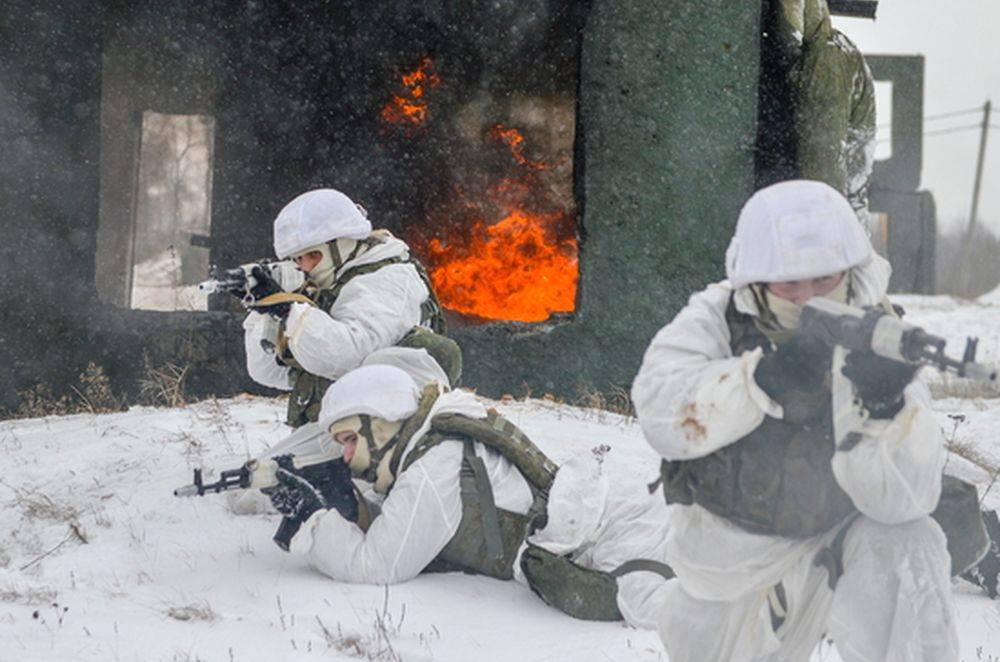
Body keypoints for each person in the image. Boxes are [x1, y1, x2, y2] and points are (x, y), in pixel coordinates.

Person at [631, 180, 981, 662]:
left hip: (839, 541)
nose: (807, 297)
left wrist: (884, 412)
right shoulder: (718, 316)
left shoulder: (876, 330)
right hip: (731, 563)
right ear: (755, 279)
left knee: (908, 541)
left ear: (848, 272)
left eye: (823, 281)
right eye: (788, 285)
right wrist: (760, 381)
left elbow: (906, 500)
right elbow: (660, 413)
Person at [261, 364, 676, 630]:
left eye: (351, 440)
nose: (347, 456)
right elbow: (405, 526)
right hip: (609, 517)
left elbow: (377, 565)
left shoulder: (432, 466)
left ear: (383, 425)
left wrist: (314, 519)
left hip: (617, 532)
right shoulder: (433, 444)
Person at [242, 188, 462, 428]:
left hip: (391, 432)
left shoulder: (388, 279)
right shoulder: (328, 285)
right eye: (296, 259)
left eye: (312, 255)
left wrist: (287, 309)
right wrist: (264, 310)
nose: (303, 267)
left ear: (343, 244)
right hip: (340, 429)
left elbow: (348, 356)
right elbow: (268, 372)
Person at [775, 0, 876, 231]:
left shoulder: (826, 58)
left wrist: (819, 234)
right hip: (838, 217)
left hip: (830, 221)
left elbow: (822, 164)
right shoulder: (826, 51)